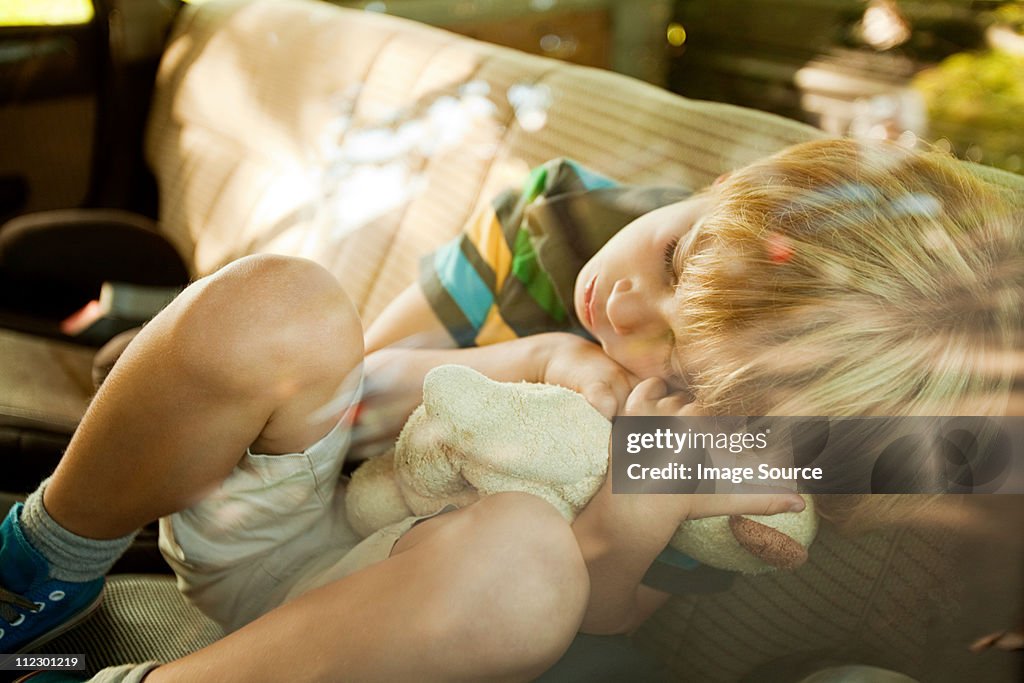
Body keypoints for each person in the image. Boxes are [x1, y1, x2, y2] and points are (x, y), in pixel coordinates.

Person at [1, 138, 1019, 682]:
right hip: (294, 520)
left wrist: (623, 520)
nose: (626, 308)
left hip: (411, 624)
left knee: (530, 560)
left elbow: (598, 616)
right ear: (726, 184)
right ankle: (41, 564)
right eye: (672, 257)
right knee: (283, 300)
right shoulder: (553, 225)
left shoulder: (715, 441)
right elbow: (354, 391)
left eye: (678, 351)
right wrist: (532, 354)